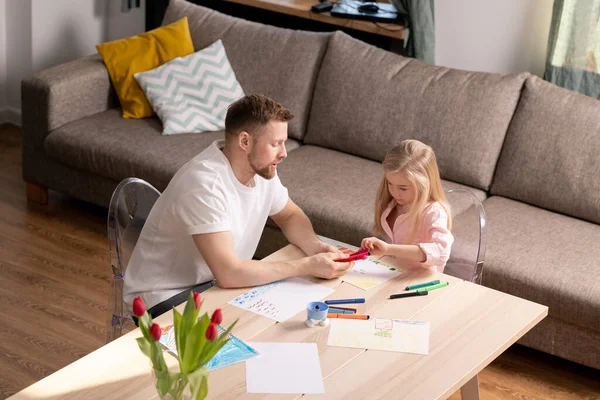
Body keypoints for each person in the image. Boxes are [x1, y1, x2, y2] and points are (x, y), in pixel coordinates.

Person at [124, 94, 352, 317]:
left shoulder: (263, 171)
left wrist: (315, 246)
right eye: (275, 144)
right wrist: (306, 265)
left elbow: (289, 215)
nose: (283, 153)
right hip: (164, 295)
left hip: (215, 281)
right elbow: (229, 273)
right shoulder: (205, 185)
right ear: (245, 141)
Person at [360, 139, 454, 272]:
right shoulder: (392, 204)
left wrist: (388, 249)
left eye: (403, 188)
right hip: (393, 273)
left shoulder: (433, 212)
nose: (394, 192)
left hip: (418, 282)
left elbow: (441, 251)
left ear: (424, 185)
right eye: (390, 184)